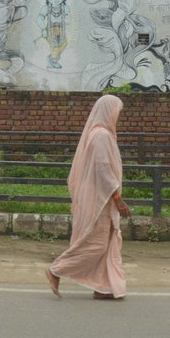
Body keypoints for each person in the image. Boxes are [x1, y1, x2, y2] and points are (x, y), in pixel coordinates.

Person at [47, 94, 132, 299]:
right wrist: (117, 199)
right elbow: (102, 170)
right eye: (117, 112)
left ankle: (103, 287)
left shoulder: (101, 134)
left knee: (108, 241)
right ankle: (56, 269)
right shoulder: (101, 136)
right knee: (96, 243)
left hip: (100, 197)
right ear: (108, 112)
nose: (118, 116)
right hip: (99, 199)